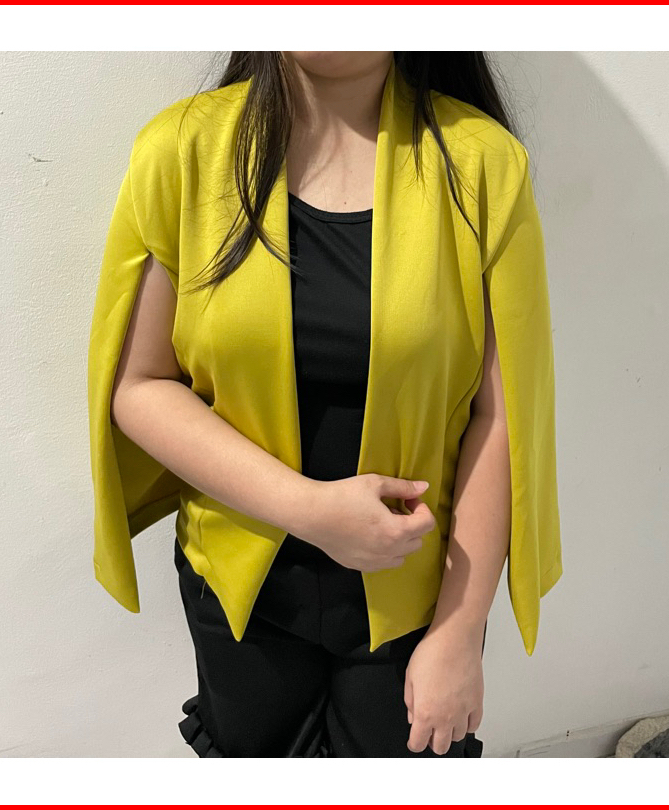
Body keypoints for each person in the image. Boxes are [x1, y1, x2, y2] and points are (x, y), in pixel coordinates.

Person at [88, 51, 562, 758]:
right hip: (239, 587)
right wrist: (310, 510)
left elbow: (503, 418)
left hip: (416, 594)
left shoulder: (484, 164)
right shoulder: (182, 150)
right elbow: (140, 385)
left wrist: (461, 630)